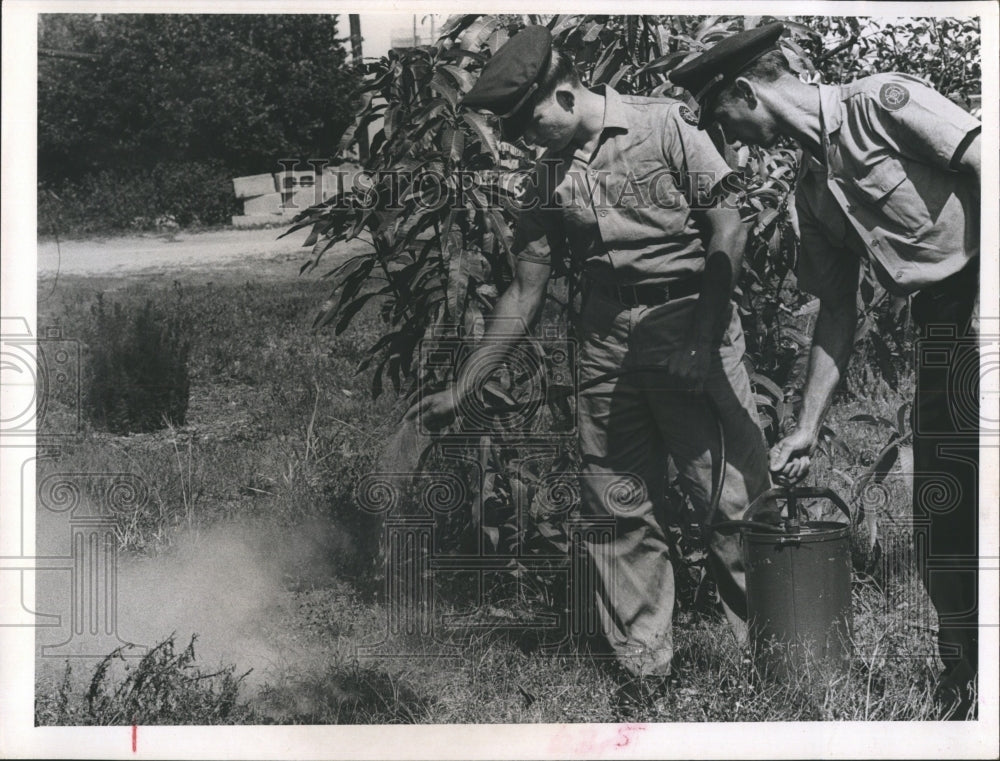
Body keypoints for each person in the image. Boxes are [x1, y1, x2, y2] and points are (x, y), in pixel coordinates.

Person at [407, 25, 771, 706]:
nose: (518, 139)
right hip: (605, 346)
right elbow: (525, 289)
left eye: (526, 122)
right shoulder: (547, 176)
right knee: (618, 505)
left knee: (728, 501)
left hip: (688, 326)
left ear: (566, 94)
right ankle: (646, 672)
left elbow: (729, 227)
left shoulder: (666, 127)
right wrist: (464, 385)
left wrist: (701, 337)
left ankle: (778, 658)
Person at [669, 22, 982, 719]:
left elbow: (988, 159)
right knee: (947, 505)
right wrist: (807, 425)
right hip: (939, 321)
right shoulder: (814, 192)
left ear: (747, 92)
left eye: (726, 120)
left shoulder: (882, 102)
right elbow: (836, 311)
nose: (736, 141)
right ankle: (968, 675)